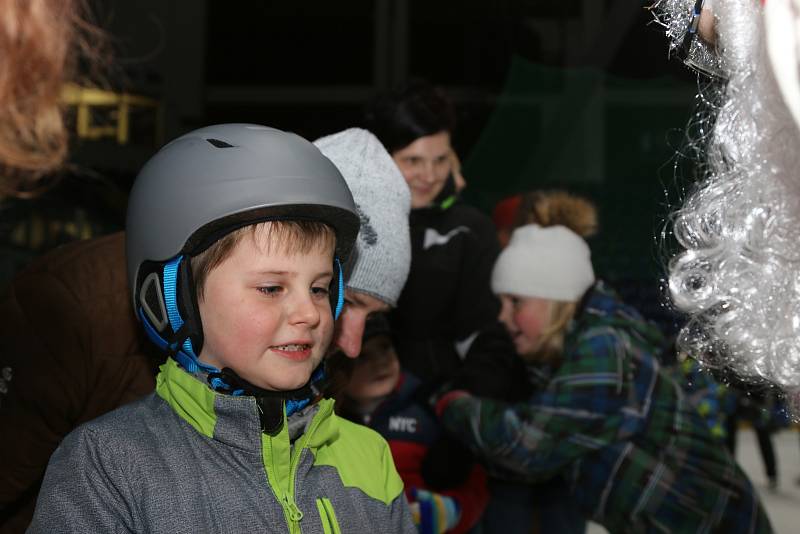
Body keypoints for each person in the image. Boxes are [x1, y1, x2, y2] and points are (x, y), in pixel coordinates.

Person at [0, 127, 412, 531]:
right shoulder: (107, 465)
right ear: (172, 300)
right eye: (271, 288)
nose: (311, 312)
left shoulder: (368, 456)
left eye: (321, 289)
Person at [435, 210, 774, 532]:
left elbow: (529, 446)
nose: (502, 316)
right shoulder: (567, 354)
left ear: (554, 299)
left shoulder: (604, 348)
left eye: (516, 302)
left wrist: (453, 405)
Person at [331, 314, 488, 534]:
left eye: (386, 348)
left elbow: (477, 479)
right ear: (337, 372)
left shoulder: (430, 405)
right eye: (364, 357)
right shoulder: (326, 422)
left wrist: (453, 510)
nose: (381, 361)